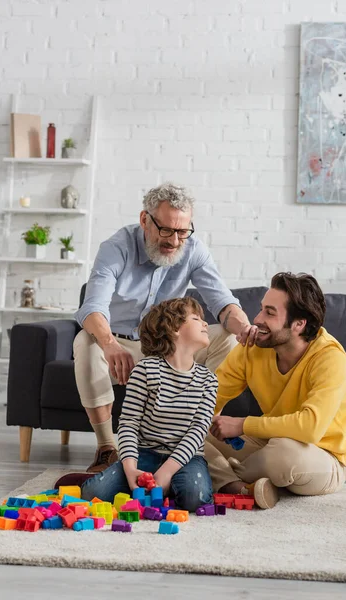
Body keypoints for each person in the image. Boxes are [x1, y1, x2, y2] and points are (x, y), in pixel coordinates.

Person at [74, 182, 256, 473]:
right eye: (167, 230)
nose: (174, 240)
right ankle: (108, 448)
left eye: (182, 232)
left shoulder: (193, 250)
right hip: (121, 343)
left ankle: (201, 434)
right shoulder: (116, 248)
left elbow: (222, 302)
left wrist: (244, 326)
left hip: (169, 348)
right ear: (145, 220)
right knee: (85, 341)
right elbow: (92, 306)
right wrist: (109, 344)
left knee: (229, 339)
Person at [205, 272, 346, 510]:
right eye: (262, 309)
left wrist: (242, 425)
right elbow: (211, 395)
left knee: (285, 455)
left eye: (270, 313)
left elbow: (309, 428)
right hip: (266, 442)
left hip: (321, 456)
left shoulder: (330, 357)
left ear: (299, 324)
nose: (256, 319)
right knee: (190, 434)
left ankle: (215, 475)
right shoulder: (255, 347)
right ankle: (240, 486)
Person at [61, 296, 217, 512]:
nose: (205, 323)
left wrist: (167, 472)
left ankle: (163, 486)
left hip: (185, 458)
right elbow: (129, 424)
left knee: (196, 499)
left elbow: (199, 431)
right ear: (174, 329)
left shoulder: (209, 379)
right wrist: (130, 468)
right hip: (144, 453)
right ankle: (124, 480)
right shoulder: (145, 370)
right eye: (196, 318)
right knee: (93, 494)